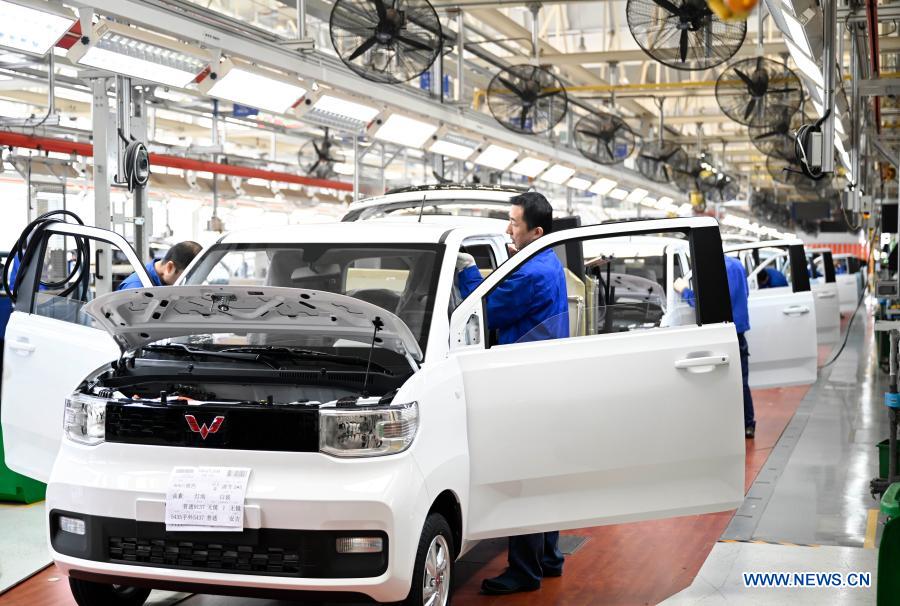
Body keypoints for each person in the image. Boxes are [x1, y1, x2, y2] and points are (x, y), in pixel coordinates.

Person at [455, 192, 569, 595]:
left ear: (536, 231)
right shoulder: (544, 262)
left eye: (514, 224)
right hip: (541, 383)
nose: (508, 229)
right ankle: (550, 558)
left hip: (523, 388)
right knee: (541, 477)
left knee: (520, 479)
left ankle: (524, 571)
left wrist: (467, 272)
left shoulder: (533, 274)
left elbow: (483, 309)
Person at [674, 254, 755, 438]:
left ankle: (725, 426)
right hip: (739, 331)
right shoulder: (736, 265)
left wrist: (684, 290)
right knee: (741, 382)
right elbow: (745, 294)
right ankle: (748, 425)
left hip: (721, 331)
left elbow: (704, 302)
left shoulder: (713, 268)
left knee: (719, 383)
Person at [118, 241, 202, 290]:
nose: (190, 284)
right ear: (170, 268)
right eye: (187, 278)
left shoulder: (163, 284)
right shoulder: (136, 288)